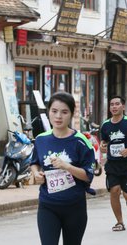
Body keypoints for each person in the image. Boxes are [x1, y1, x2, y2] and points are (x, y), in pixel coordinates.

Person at [30, 92, 95, 245]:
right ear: (48, 112)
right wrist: (36, 174)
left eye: (64, 112)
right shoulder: (41, 139)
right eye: (54, 111)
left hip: (74, 207)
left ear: (72, 114)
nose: (58, 116)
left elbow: (88, 175)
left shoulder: (81, 141)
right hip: (48, 205)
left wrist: (66, 166)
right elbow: (34, 162)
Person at [100, 96, 127, 231]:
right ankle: (119, 222)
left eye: (117, 104)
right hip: (112, 164)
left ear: (123, 107)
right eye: (112, 104)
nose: (114, 107)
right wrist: (103, 146)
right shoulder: (106, 125)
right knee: (114, 191)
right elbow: (104, 142)